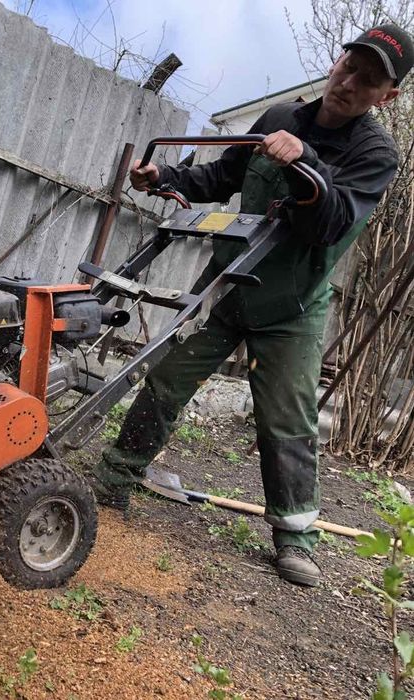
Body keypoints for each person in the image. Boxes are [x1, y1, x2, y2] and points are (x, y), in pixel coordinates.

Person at [92, 23, 412, 587]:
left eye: (368, 80)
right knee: (166, 379)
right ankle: (116, 477)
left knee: (287, 419)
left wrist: (305, 163)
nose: (349, 83)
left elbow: (331, 223)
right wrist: (164, 176)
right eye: (349, 66)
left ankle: (295, 538)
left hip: (292, 306)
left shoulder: (374, 153)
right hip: (227, 285)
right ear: (337, 61)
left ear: (387, 96)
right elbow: (224, 175)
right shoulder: (280, 117)